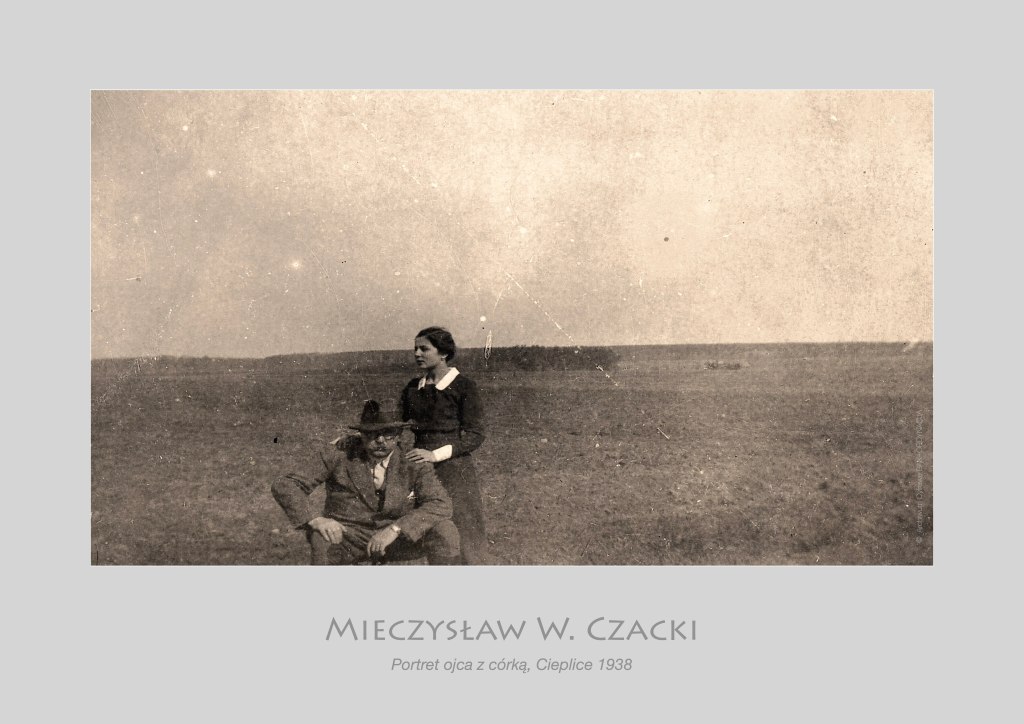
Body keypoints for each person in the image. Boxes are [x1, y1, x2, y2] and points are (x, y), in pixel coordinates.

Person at [271, 400, 461, 565]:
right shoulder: (339, 454)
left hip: (397, 538)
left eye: (388, 433)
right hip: (349, 536)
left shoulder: (414, 462)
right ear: (361, 434)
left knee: (445, 530)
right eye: (372, 433)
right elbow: (286, 484)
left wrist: (396, 529)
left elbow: (440, 503)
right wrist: (316, 520)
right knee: (322, 536)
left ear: (399, 435)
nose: (380, 440)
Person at [401, 326, 494, 565]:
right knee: (434, 531)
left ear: (443, 353)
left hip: (454, 470)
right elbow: (394, 422)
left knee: (465, 529)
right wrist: (357, 437)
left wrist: (435, 455)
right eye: (415, 349)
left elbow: (475, 434)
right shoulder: (413, 388)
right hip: (420, 468)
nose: (417, 354)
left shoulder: (464, 386)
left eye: (424, 349)